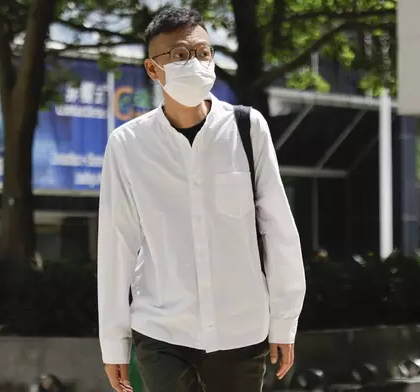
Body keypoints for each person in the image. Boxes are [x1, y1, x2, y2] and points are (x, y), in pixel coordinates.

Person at [97, 7, 306, 392]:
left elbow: (278, 228)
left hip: (241, 329)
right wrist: (114, 344)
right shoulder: (127, 145)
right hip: (161, 327)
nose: (194, 62)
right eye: (179, 54)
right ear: (152, 69)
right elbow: (117, 245)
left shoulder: (247, 128)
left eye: (203, 52)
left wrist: (285, 320)